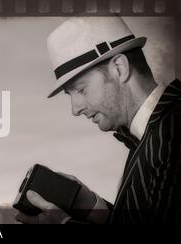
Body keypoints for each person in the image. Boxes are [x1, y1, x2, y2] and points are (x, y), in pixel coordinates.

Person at [16, 17, 181, 224]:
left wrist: (64, 223)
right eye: (71, 95)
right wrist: (91, 206)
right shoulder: (149, 133)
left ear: (119, 68)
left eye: (81, 89)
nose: (75, 109)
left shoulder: (172, 133)